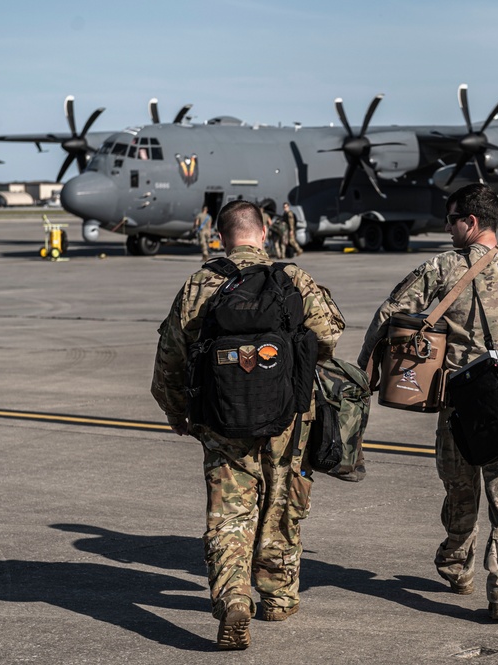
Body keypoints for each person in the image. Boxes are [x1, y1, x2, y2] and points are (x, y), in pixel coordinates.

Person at [151, 200, 343, 650]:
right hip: (288, 415)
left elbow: (169, 359)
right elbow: (329, 338)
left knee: (230, 512)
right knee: (282, 500)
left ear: (221, 236)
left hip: (222, 416)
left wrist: (176, 411)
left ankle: (234, 598)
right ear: (265, 231)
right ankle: (277, 596)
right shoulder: (292, 278)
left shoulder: (201, 284)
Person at [357, 183, 498, 622]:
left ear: (472, 223)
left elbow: (389, 315)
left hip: (458, 403)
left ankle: (457, 565)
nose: (446, 226)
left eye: (451, 219)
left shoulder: (440, 268)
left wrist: (366, 368)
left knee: (460, 490)